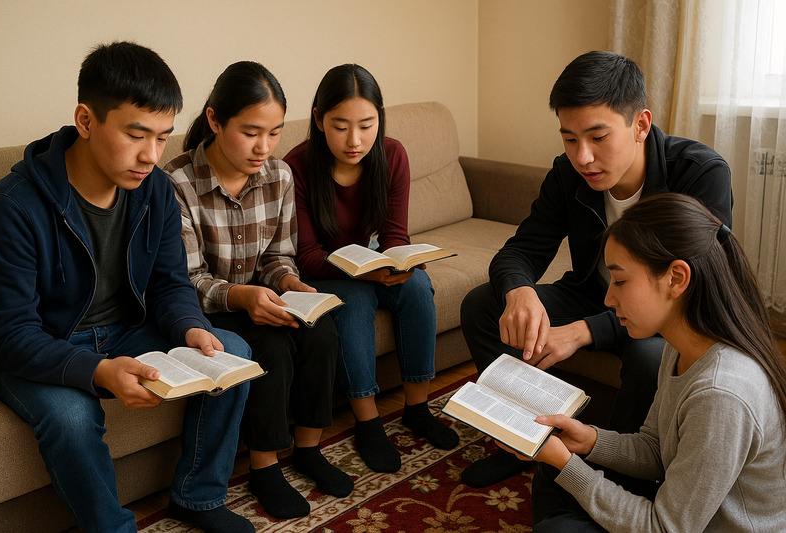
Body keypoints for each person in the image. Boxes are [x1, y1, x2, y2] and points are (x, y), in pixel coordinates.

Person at [0, 42, 254, 533]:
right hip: (43, 347)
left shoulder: (153, 189)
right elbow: (9, 336)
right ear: (86, 121)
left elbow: (171, 283)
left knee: (230, 354)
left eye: (162, 137)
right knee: (69, 418)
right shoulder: (14, 205)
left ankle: (198, 497)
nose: (151, 155)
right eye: (136, 135)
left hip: (127, 331)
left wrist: (191, 327)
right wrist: (98, 371)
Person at [459, 50, 733, 487]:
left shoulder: (698, 173)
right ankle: (521, 437)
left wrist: (586, 331)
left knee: (649, 355)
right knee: (481, 304)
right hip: (593, 293)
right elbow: (520, 251)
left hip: (666, 316)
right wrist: (519, 292)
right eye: (569, 139)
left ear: (640, 125)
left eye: (598, 137)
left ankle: (612, 469)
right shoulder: (567, 174)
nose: (582, 156)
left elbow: (692, 288)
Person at [500, 193, 786, 532]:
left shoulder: (722, 393)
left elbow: (665, 527)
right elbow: (655, 449)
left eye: (620, 281)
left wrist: (569, 466)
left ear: (676, 278)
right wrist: (589, 440)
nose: (608, 298)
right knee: (557, 467)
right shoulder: (680, 347)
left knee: (561, 505)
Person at [164, 61, 351, 520]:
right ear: (214, 120)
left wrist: (289, 283)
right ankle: (264, 466)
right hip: (211, 307)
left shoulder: (280, 176)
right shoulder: (176, 183)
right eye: (251, 132)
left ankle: (308, 448)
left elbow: (277, 258)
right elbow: (187, 280)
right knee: (268, 346)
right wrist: (244, 297)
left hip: (261, 295)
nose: (264, 148)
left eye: (274, 133)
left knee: (322, 330)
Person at [284, 64, 459, 474]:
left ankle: (417, 407)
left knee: (416, 288)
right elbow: (306, 253)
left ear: (380, 118)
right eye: (340, 126)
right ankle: (368, 421)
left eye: (367, 125)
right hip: (325, 267)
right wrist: (362, 274)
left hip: (371, 256)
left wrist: (397, 262)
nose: (355, 140)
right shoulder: (297, 166)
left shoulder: (392, 154)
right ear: (318, 119)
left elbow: (396, 233)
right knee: (355, 302)